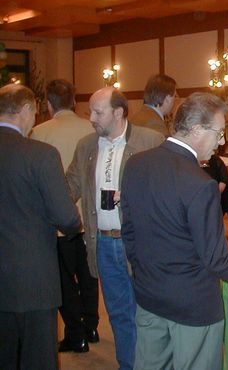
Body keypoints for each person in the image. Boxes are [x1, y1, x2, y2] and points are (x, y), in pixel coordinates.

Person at [121, 93, 228, 369]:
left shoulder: (137, 164)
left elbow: (129, 233)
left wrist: (146, 276)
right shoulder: (200, 184)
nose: (221, 142)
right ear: (196, 130)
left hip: (148, 297)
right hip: (192, 307)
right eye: (219, 133)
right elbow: (217, 259)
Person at [66, 87, 163, 370]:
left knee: (149, 313)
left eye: (98, 112)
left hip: (140, 243)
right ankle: (128, 365)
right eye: (91, 112)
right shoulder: (86, 146)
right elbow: (69, 186)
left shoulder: (150, 141)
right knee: (119, 313)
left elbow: (167, 189)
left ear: (118, 112)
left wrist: (135, 196)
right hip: (103, 244)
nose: (91, 118)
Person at [0, 84, 81, 370]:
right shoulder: (41, 154)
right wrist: (73, 227)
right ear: (26, 109)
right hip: (33, 276)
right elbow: (66, 217)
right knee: (38, 357)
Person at [31, 79, 99, 353]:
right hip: (90, 218)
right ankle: (92, 325)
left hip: (59, 221)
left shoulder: (39, 133)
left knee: (64, 280)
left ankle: (75, 332)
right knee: (89, 274)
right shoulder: (91, 128)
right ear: (73, 101)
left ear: (48, 104)